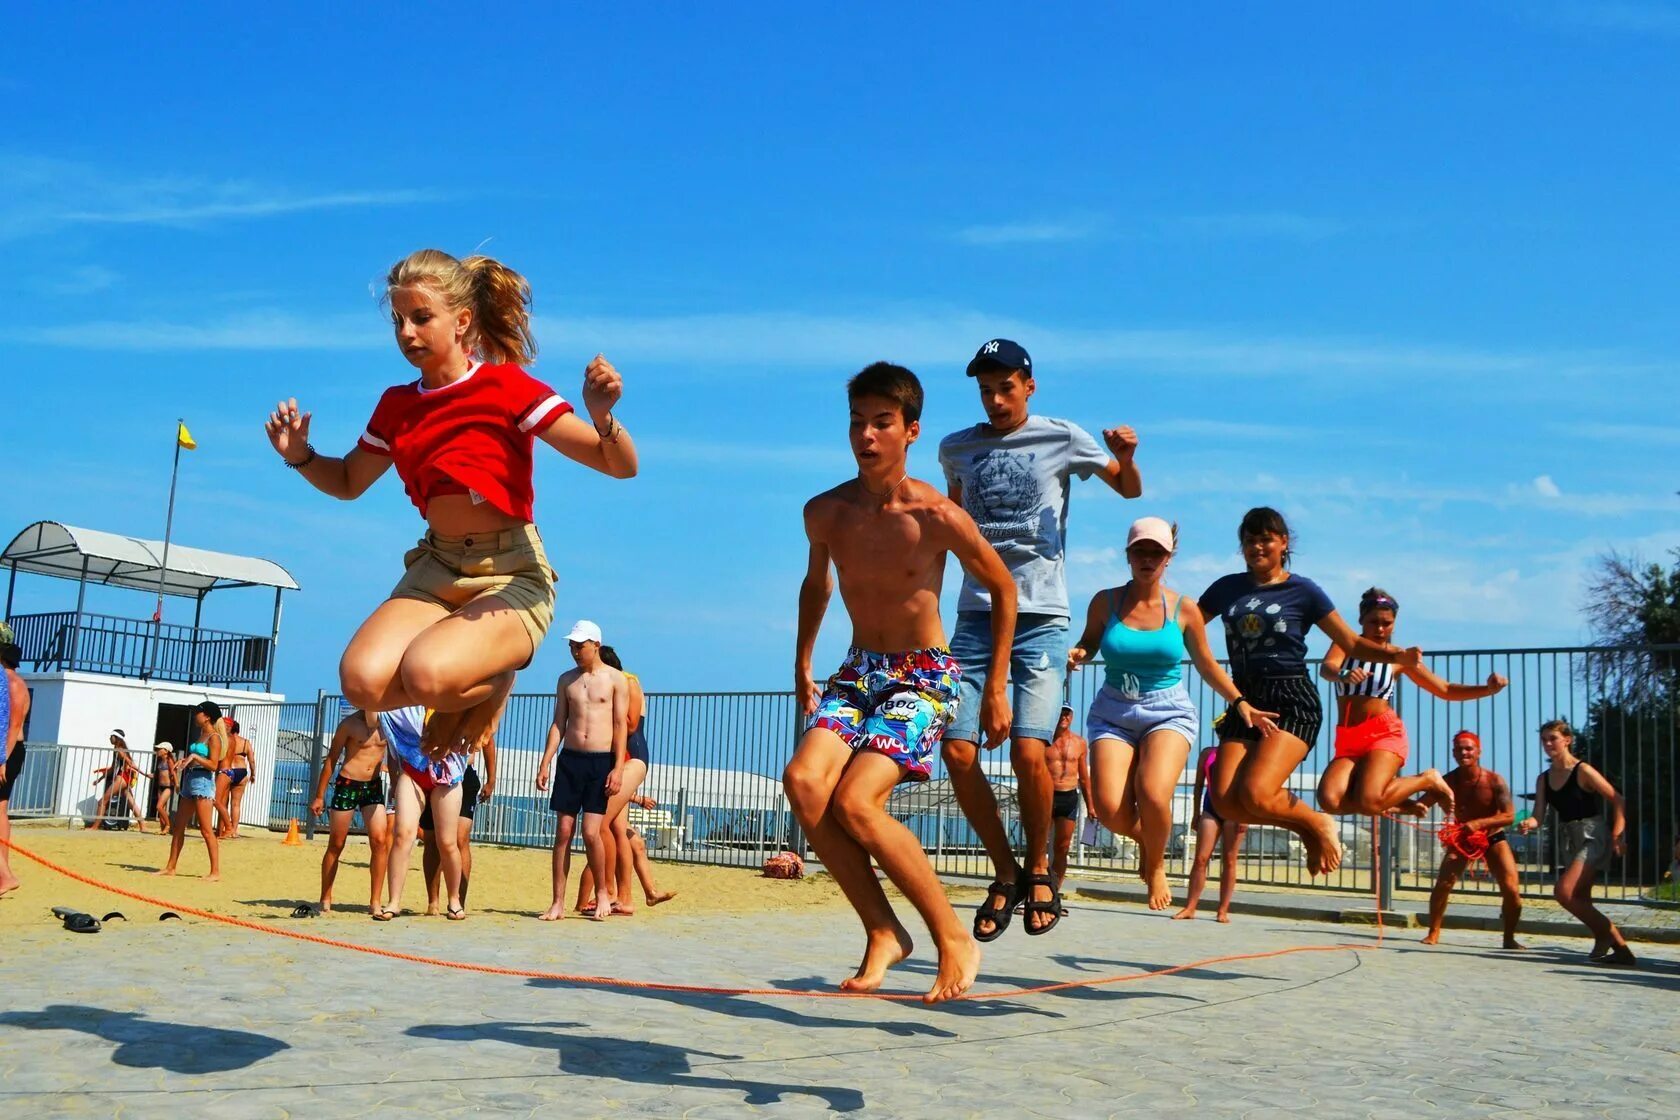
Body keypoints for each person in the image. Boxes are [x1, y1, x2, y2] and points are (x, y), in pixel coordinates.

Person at [264, 248, 638, 764]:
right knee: (361, 683)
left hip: (509, 572)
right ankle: (480, 675)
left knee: (425, 673)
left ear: (462, 321)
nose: (407, 333)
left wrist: (602, 416)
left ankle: (492, 680)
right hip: (437, 565)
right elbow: (349, 480)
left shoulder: (506, 387)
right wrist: (301, 456)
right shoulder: (397, 405)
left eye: (421, 318)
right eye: (398, 320)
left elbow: (618, 464)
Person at [784, 361, 1016, 1004]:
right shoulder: (825, 512)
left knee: (857, 801)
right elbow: (816, 584)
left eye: (882, 423)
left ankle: (951, 937)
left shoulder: (936, 514)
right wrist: (803, 663)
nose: (866, 435)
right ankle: (883, 928)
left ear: (910, 430)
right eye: (857, 422)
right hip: (859, 670)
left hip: (924, 673)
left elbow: (1002, 588)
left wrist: (995, 685)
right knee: (804, 783)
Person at [936, 338, 1141, 939]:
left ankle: (1040, 865)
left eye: (1006, 388)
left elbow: (1127, 490)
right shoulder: (957, 448)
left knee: (1031, 751)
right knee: (957, 751)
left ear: (1030, 385)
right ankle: (1005, 872)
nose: (996, 401)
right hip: (974, 616)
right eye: (985, 391)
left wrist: (1124, 458)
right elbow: (953, 525)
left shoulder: (1062, 437)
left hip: (1042, 616)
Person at [1068, 516, 1276, 910]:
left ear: (1169, 558)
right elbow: (1090, 641)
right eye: (1140, 551)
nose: (1148, 559)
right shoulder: (1105, 601)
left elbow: (1208, 665)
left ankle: (1157, 863)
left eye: (1157, 553)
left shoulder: (1184, 609)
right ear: (1128, 555)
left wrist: (1241, 702)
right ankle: (1150, 840)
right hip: (1114, 710)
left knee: (1152, 792)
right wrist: (1080, 652)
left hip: (1167, 712)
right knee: (1111, 811)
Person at [1200, 508, 1421, 876]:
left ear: (1283, 543)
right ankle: (1308, 826)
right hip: (1244, 700)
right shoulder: (1226, 588)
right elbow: (1186, 621)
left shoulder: (1303, 590)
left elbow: (1349, 640)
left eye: (1266, 539)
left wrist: (1396, 654)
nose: (1257, 546)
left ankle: (1318, 823)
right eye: (1250, 540)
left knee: (1256, 792)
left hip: (1290, 699)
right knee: (1227, 803)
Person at [1315, 588, 1507, 817]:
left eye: (1386, 623)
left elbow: (1444, 689)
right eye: (1373, 622)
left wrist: (1488, 689)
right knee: (1329, 800)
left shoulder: (1398, 657)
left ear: (1394, 623)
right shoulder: (1346, 644)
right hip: (1348, 736)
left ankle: (1426, 779)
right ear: (1361, 620)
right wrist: (1342, 675)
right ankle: (1398, 804)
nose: (1379, 629)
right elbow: (1327, 668)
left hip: (1383, 733)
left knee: (1368, 801)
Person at [1517, 719, 1635, 965]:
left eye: (1553, 738)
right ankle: (1605, 941)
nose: (1548, 744)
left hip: (1593, 834)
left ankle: (1618, 943)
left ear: (1567, 740)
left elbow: (1618, 799)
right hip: (1570, 837)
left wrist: (1617, 834)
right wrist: (1529, 823)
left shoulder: (1583, 770)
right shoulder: (1544, 779)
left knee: (1564, 892)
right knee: (1581, 896)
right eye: (1544, 740)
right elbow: (1539, 815)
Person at [535, 621, 627, 922]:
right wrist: (546, 761)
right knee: (563, 831)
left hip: (600, 762)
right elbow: (559, 723)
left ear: (596, 645)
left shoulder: (615, 679)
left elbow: (619, 724)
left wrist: (617, 768)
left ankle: (602, 892)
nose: (575, 651)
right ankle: (557, 901)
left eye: (580, 645)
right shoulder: (566, 680)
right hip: (570, 759)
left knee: (591, 832)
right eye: (572, 645)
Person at [1415, 730, 1524, 949]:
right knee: (1443, 883)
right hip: (1463, 838)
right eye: (1458, 749)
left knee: (1511, 888)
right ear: (1453, 752)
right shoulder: (1448, 781)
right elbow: (1423, 802)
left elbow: (1509, 816)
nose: (1463, 753)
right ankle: (1433, 932)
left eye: (1468, 748)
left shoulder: (1494, 780)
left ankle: (1509, 937)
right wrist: (1406, 804)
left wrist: (1478, 824)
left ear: (1478, 751)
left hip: (1493, 837)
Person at [574, 645, 649, 915]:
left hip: (631, 758)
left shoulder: (627, 682)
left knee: (602, 824)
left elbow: (629, 725)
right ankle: (622, 896)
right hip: (614, 758)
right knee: (618, 831)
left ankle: (613, 893)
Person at [379, 705, 468, 920]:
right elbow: (377, 711)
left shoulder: (456, 699)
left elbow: (476, 729)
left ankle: (454, 901)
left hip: (448, 774)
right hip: (414, 769)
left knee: (447, 841)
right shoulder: (406, 703)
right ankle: (393, 902)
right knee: (402, 835)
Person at [309, 708, 393, 916]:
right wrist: (320, 795)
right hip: (347, 784)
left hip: (372, 786)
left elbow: (394, 757)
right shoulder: (349, 724)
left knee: (380, 841)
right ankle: (325, 898)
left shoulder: (388, 723)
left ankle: (375, 901)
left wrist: (398, 785)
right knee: (336, 843)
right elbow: (331, 759)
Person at [1174, 738, 1249, 922]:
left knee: (1230, 860)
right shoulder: (1208, 753)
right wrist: (1195, 813)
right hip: (1211, 808)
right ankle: (1190, 907)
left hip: (1235, 810)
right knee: (1200, 858)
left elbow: (1248, 784)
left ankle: (1222, 910)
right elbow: (1199, 784)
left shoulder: (1246, 752)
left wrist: (1245, 816)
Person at [421, 739, 495, 915]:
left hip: (464, 773)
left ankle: (458, 901)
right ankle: (433, 902)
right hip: (434, 770)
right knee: (432, 839)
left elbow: (488, 741)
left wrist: (491, 780)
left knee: (460, 838)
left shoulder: (472, 714)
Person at [157, 701, 225, 880]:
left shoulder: (214, 737)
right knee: (179, 826)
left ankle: (215, 871)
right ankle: (171, 867)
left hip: (203, 782)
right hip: (190, 779)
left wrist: (194, 757)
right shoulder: (202, 734)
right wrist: (186, 760)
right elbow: (198, 758)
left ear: (207, 716)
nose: (196, 715)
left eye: (198, 713)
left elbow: (213, 765)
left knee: (206, 829)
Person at [1044, 706, 1090, 911]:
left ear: (1071, 717)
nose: (1063, 717)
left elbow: (1085, 777)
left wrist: (1092, 806)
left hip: (1069, 796)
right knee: (1038, 849)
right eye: (1060, 712)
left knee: (1062, 849)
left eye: (1067, 713)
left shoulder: (1079, 742)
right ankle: (1033, 893)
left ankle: (1053, 894)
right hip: (1045, 796)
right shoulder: (1044, 741)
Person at [0, 632, 30, 899]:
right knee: (1, 812)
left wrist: (1, 759)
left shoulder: (12, 683)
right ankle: (3, 872)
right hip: (9, 751)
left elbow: (14, 727)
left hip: (7, 752)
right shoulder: (13, 681)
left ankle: (6, 874)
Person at [90, 730, 147, 832]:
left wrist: (145, 774)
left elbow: (130, 763)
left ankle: (95, 826)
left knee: (102, 802)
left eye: (111, 736)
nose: (109, 738)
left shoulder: (119, 749)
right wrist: (100, 779)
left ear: (115, 737)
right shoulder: (118, 749)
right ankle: (143, 825)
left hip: (122, 777)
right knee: (131, 803)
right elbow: (112, 769)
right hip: (125, 777)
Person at [217, 718, 254, 839]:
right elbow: (251, 760)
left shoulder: (227, 740)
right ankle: (234, 830)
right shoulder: (245, 742)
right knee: (236, 804)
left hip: (229, 771)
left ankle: (222, 829)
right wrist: (253, 774)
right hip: (242, 771)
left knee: (223, 802)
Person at [150, 744, 177, 828]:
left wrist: (177, 784)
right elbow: (159, 775)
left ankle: (168, 825)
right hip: (160, 787)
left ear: (166, 751)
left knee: (159, 807)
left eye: (159, 749)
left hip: (167, 787)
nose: (157, 751)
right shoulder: (160, 761)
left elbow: (173, 773)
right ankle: (162, 827)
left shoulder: (169, 761)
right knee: (162, 808)